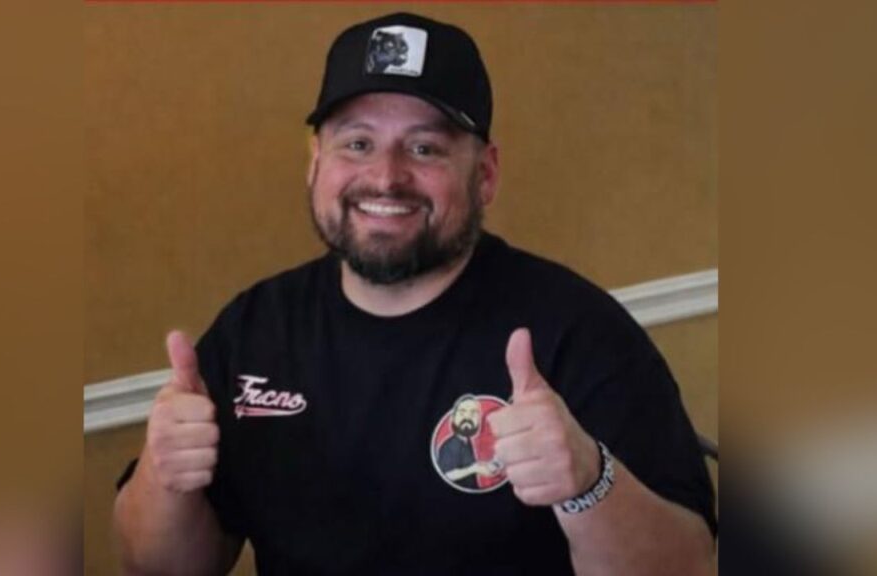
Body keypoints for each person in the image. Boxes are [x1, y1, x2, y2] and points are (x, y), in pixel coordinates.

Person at [113, 12, 716, 576]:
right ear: (316, 163)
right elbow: (159, 567)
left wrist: (589, 482)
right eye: (357, 143)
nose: (385, 177)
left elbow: (687, 564)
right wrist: (165, 480)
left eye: (425, 148)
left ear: (485, 175)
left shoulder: (578, 332)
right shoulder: (255, 330)